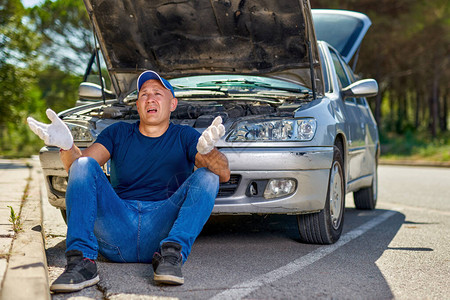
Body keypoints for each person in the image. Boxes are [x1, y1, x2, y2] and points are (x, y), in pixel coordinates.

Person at [27, 70, 230, 292]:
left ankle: (172, 255)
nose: (150, 98)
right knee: (84, 164)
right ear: (137, 104)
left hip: (161, 230)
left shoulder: (185, 136)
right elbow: (79, 171)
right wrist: (66, 146)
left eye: (157, 93)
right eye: (143, 94)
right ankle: (81, 263)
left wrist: (208, 152)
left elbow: (224, 174)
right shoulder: (119, 133)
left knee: (209, 175)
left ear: (173, 104)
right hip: (116, 229)